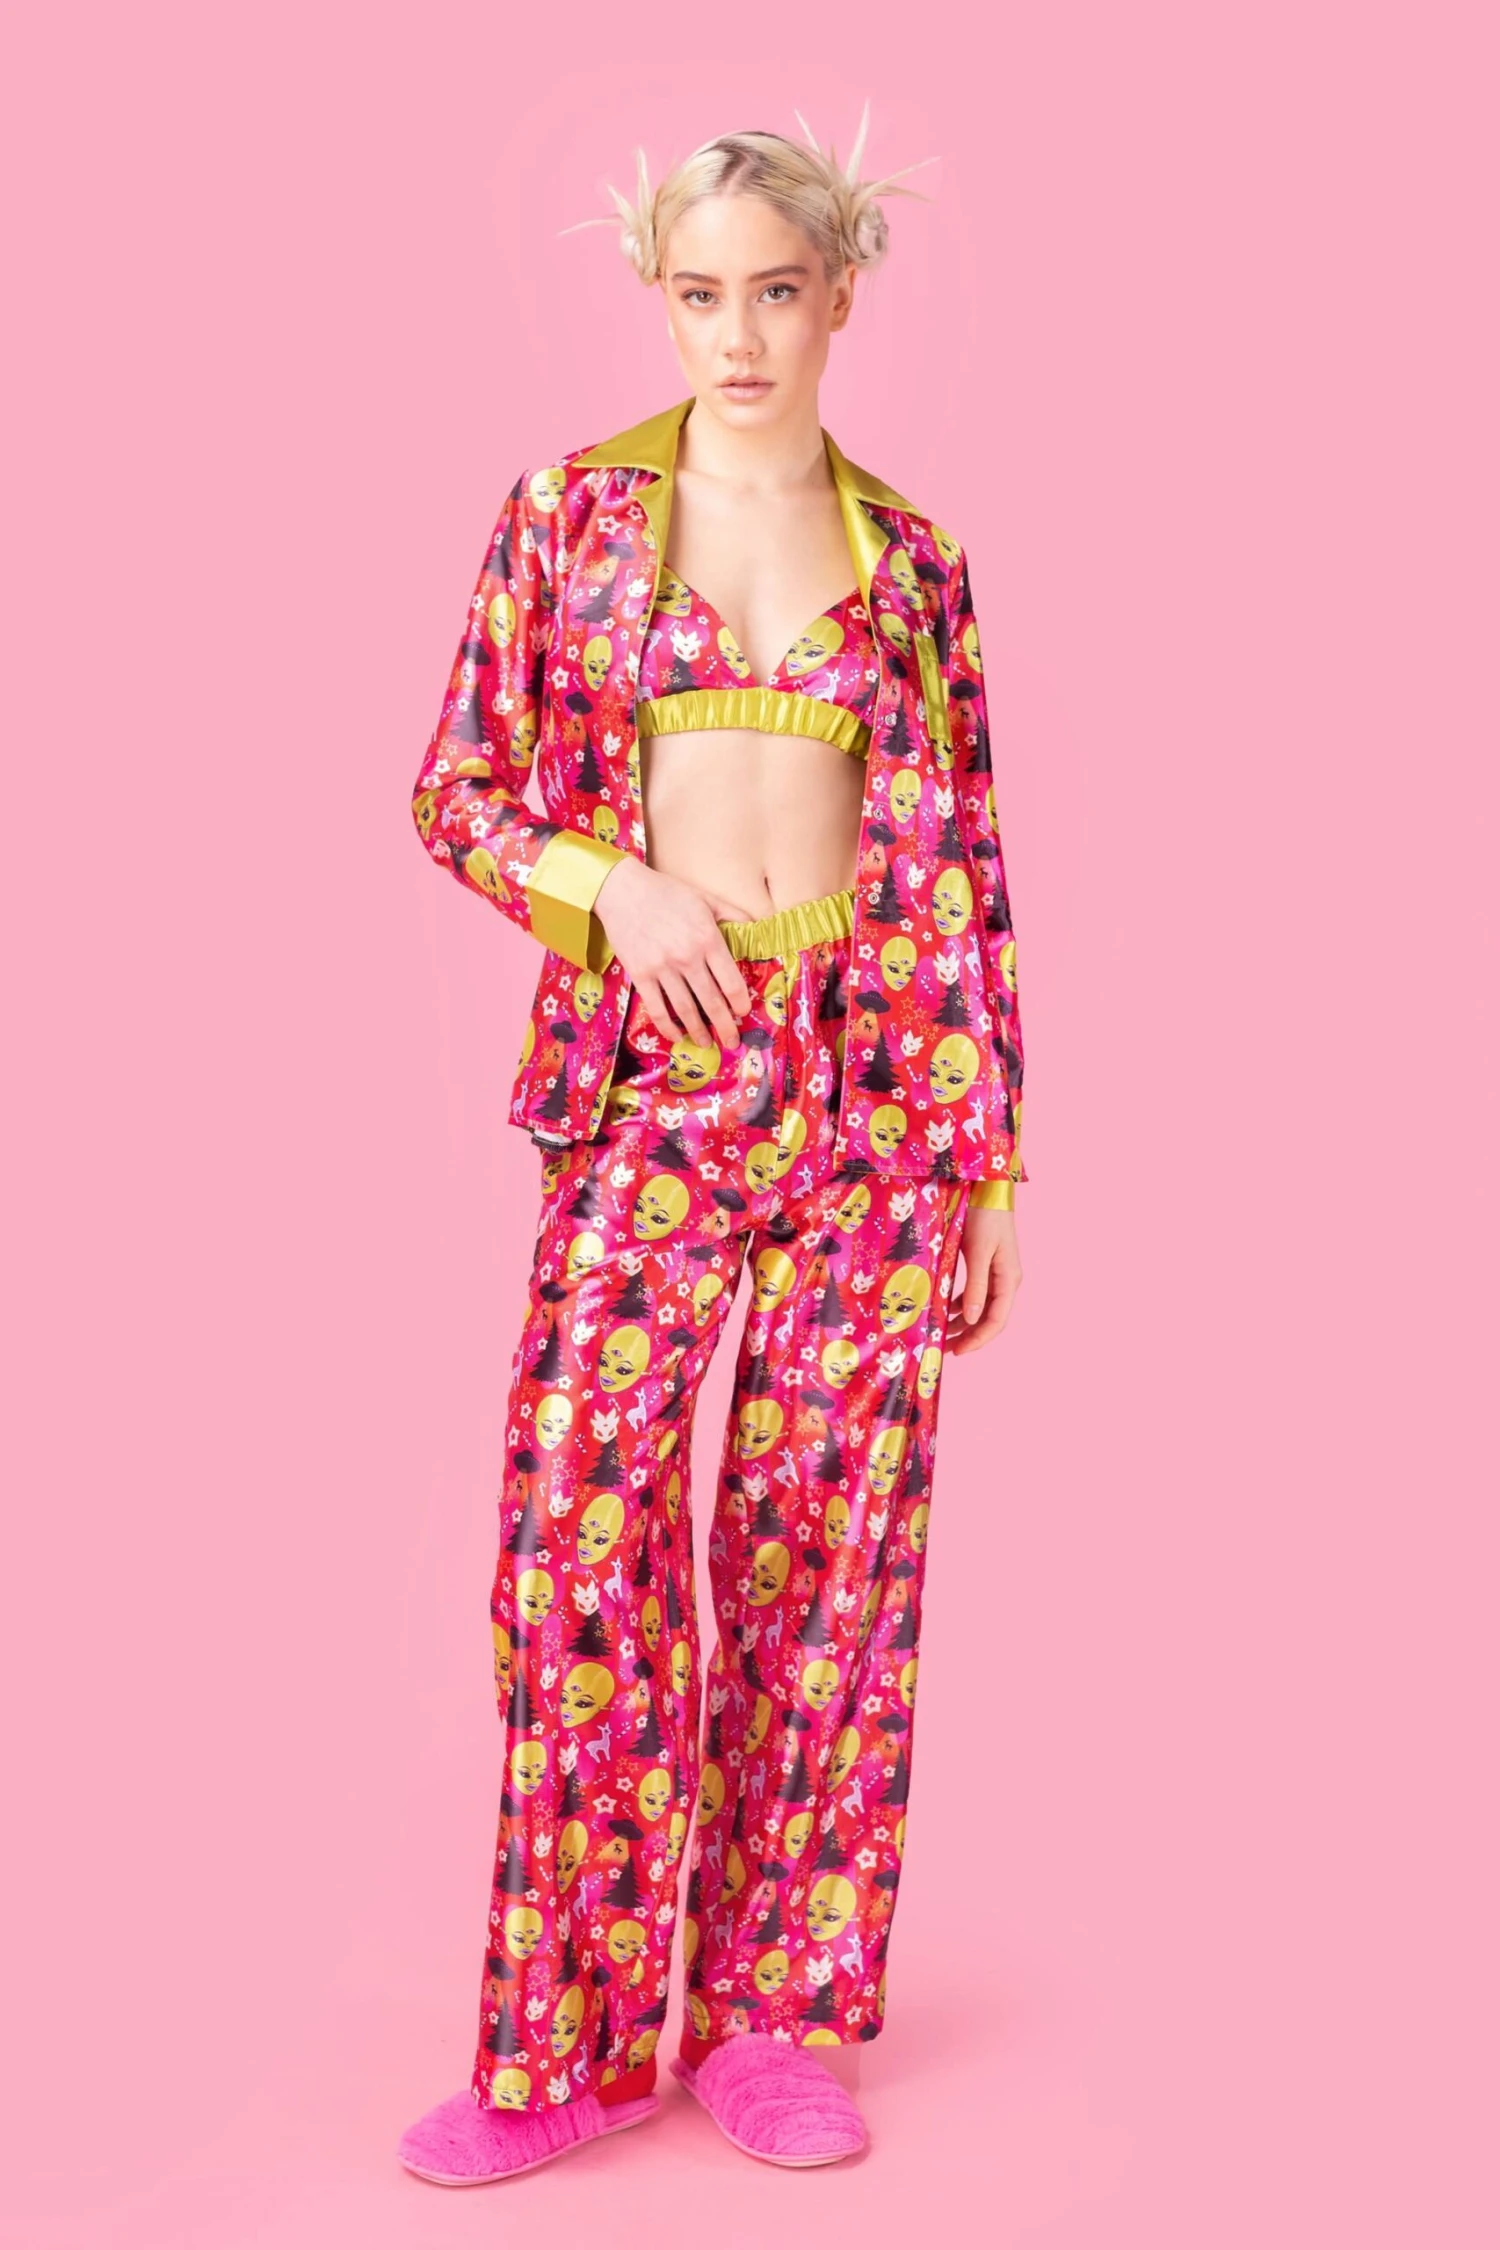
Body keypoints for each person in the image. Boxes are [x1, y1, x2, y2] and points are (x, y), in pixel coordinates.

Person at [398, 109, 1029, 2182]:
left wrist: (987, 1160)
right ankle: (569, 2043)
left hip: (869, 1103)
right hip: (653, 1093)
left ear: (842, 292)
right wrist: (614, 887)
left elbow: (962, 872)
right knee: (578, 1536)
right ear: (656, 296)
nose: (739, 335)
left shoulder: (914, 566)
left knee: (827, 1559)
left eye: (776, 291)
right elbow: (459, 790)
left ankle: (768, 2014)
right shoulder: (568, 518)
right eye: (701, 294)